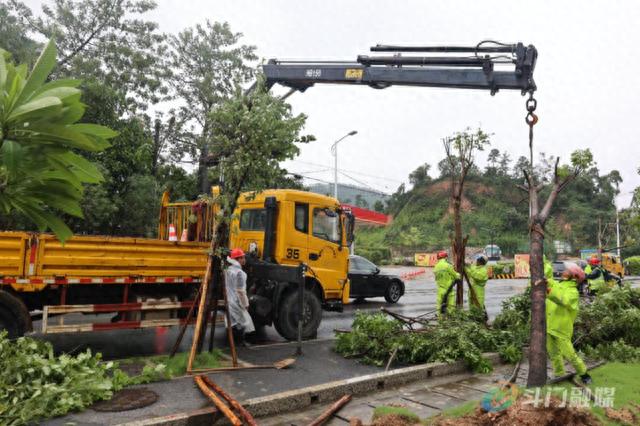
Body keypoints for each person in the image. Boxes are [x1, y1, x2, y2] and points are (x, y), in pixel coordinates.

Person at [544, 263, 592, 384]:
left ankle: (584, 374)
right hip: (550, 325)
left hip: (562, 328)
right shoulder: (558, 284)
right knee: (553, 353)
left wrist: (549, 290)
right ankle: (559, 374)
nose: (564, 272)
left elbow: (562, 300)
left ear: (573, 276)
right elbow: (550, 282)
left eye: (567, 271)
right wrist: (544, 280)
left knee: (570, 354)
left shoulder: (573, 293)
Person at [225, 248, 255, 346]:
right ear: (238, 259)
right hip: (237, 302)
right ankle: (240, 343)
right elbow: (241, 291)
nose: (244, 259)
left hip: (229, 300)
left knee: (233, 322)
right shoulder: (240, 274)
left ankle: (232, 343)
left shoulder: (228, 271)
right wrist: (245, 304)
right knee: (244, 322)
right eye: (242, 257)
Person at [434, 250, 460, 316]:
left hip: (440, 290)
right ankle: (450, 321)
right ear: (445, 257)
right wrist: (458, 275)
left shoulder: (436, 267)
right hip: (449, 289)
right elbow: (455, 275)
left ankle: (440, 321)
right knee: (450, 307)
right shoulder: (448, 265)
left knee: (439, 307)